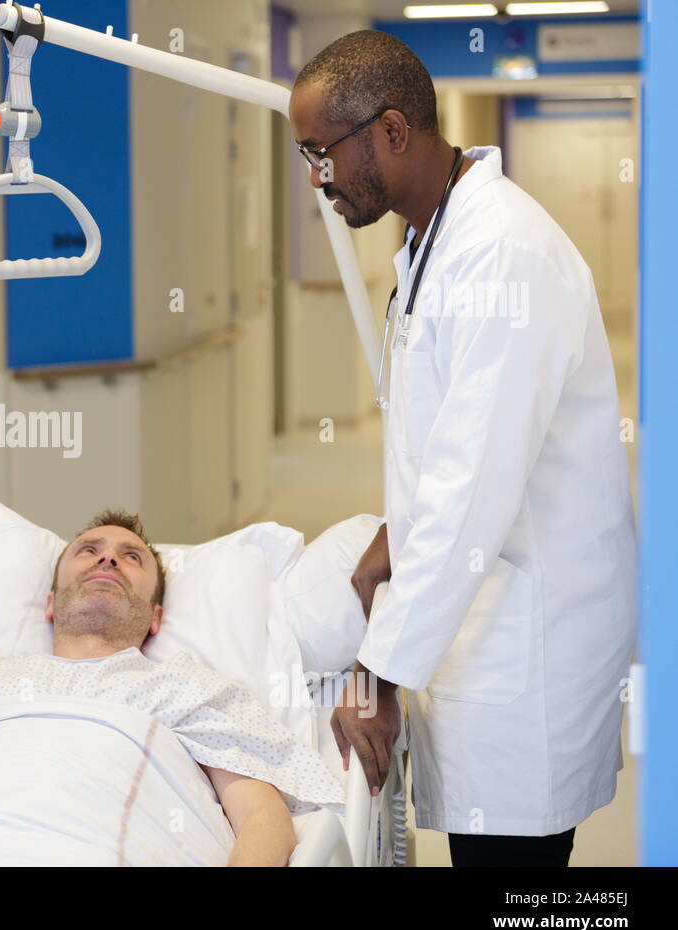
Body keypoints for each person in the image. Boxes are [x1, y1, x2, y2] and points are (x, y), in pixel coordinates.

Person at [288, 31, 636, 866]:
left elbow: (470, 487)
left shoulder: (503, 254)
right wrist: (392, 538)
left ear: (393, 131)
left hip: (531, 634)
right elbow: (443, 445)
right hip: (484, 606)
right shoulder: (433, 238)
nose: (316, 179)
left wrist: (379, 673)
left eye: (322, 153)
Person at [0, 511, 345, 867]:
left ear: (155, 617)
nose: (108, 558)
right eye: (89, 550)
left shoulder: (188, 689)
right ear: (50, 603)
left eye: (132, 558)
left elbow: (262, 819)